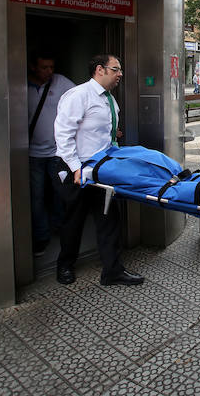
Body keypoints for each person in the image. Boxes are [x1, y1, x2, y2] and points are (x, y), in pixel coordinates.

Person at [54, 54, 144, 287]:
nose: (120, 74)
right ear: (99, 70)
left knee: (109, 219)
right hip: (77, 170)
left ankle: (112, 271)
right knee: (73, 221)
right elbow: (63, 136)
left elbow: (102, 133)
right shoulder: (78, 95)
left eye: (120, 70)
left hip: (101, 170)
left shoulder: (110, 100)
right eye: (116, 69)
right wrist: (75, 168)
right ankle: (64, 265)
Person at [27, 53, 75, 256]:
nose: (49, 72)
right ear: (32, 67)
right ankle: (41, 236)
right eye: (44, 67)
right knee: (36, 198)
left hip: (57, 152)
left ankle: (59, 227)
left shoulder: (61, 82)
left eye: (51, 67)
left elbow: (80, 98)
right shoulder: (19, 84)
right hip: (31, 153)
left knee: (60, 193)